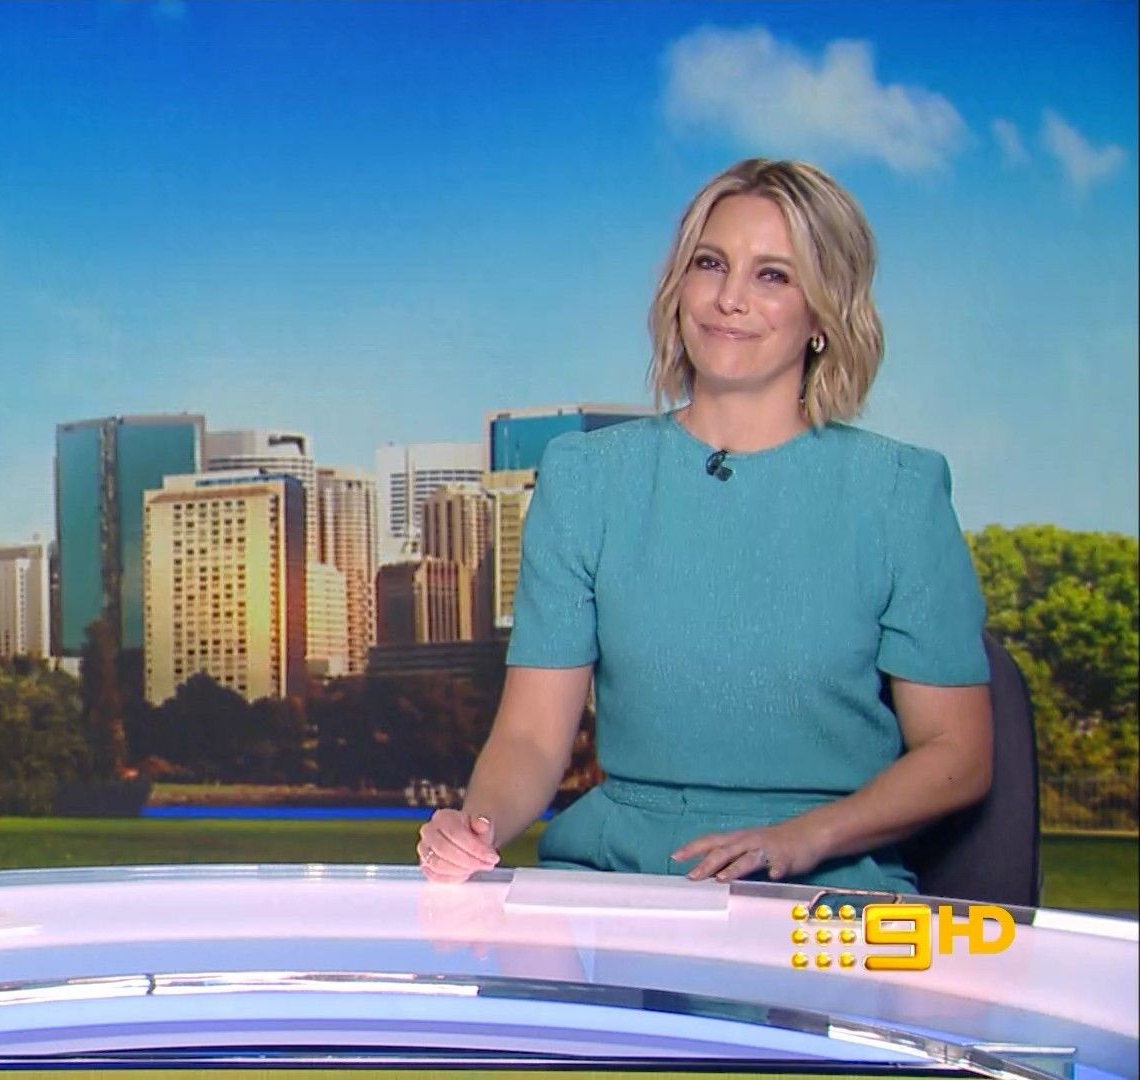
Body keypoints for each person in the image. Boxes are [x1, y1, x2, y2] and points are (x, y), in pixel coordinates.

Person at [418, 158, 992, 894]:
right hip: (621, 876)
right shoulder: (586, 478)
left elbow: (958, 753)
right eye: (710, 263)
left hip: (823, 882)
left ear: (824, 315)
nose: (729, 299)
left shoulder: (899, 491)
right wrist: (476, 829)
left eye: (773, 275)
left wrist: (804, 839)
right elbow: (530, 737)